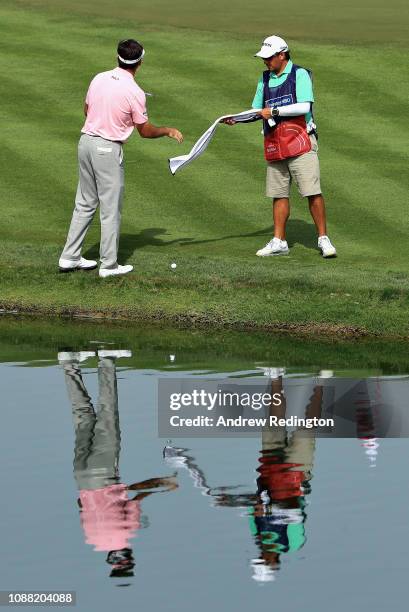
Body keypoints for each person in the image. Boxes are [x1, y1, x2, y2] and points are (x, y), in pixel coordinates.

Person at [58, 39, 183, 277]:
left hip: (85, 143)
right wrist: (167, 130)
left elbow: (87, 110)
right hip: (107, 149)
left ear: (118, 57)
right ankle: (109, 265)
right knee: (110, 208)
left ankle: (70, 256)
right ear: (140, 62)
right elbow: (145, 131)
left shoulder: (99, 78)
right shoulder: (134, 92)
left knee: (84, 202)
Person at [225, 35, 336, 258]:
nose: (265, 61)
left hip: (301, 141)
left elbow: (305, 106)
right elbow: (258, 110)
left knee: (312, 192)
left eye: (269, 57)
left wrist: (274, 111)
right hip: (276, 143)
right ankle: (279, 241)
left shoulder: (299, 74)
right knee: (278, 193)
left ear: (282, 55)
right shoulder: (264, 79)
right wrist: (237, 118)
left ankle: (323, 239)